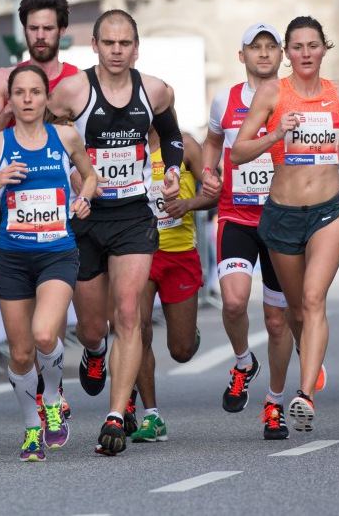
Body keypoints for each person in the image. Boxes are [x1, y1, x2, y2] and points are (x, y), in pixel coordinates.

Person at [47, 9, 183, 455]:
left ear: (136, 48)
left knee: (128, 315)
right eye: (110, 43)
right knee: (91, 327)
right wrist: (71, 182)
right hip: (87, 218)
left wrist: (173, 170)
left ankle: (115, 412)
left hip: (133, 217)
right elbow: (49, 146)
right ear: (95, 46)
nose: (118, 51)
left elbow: (172, 133)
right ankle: (94, 353)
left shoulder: (155, 90)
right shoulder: (71, 92)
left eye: (125, 44)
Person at [231, 16, 339, 433]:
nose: (306, 54)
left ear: (325, 49)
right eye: (298, 47)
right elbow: (238, 152)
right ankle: (310, 350)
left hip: (328, 210)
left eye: (313, 46)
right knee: (295, 310)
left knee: (312, 299)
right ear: (287, 53)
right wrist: (275, 135)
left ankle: (304, 395)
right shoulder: (274, 93)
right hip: (282, 214)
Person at [0, 64, 96, 461]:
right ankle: (32, 427)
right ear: (11, 100)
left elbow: (90, 176)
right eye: (20, 93)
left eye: (36, 92)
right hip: (14, 257)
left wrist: (83, 197)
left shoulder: (65, 136)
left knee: (43, 335)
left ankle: (51, 397)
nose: (29, 100)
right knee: (20, 354)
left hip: (57, 251)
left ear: (46, 97)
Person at [202, 23, 301, 440]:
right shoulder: (225, 100)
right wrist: (208, 170)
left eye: (270, 47)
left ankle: (274, 404)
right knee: (234, 301)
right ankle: (244, 361)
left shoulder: (294, 98)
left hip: (281, 220)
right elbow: (211, 141)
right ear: (241, 56)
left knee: (278, 323)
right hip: (237, 216)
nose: (263, 54)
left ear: (281, 55)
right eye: (254, 48)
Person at [130, 128, 216, 442]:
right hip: (138, 251)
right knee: (136, 329)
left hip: (180, 254)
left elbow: (215, 192)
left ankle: (188, 332)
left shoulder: (186, 145)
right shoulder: (125, 144)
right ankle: (151, 415)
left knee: (181, 351)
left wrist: (190, 204)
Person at [0, 0, 80, 145]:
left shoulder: (78, 80)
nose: (40, 36)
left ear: (62, 31)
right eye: (33, 28)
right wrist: (8, 112)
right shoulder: (3, 79)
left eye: (48, 28)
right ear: (24, 30)